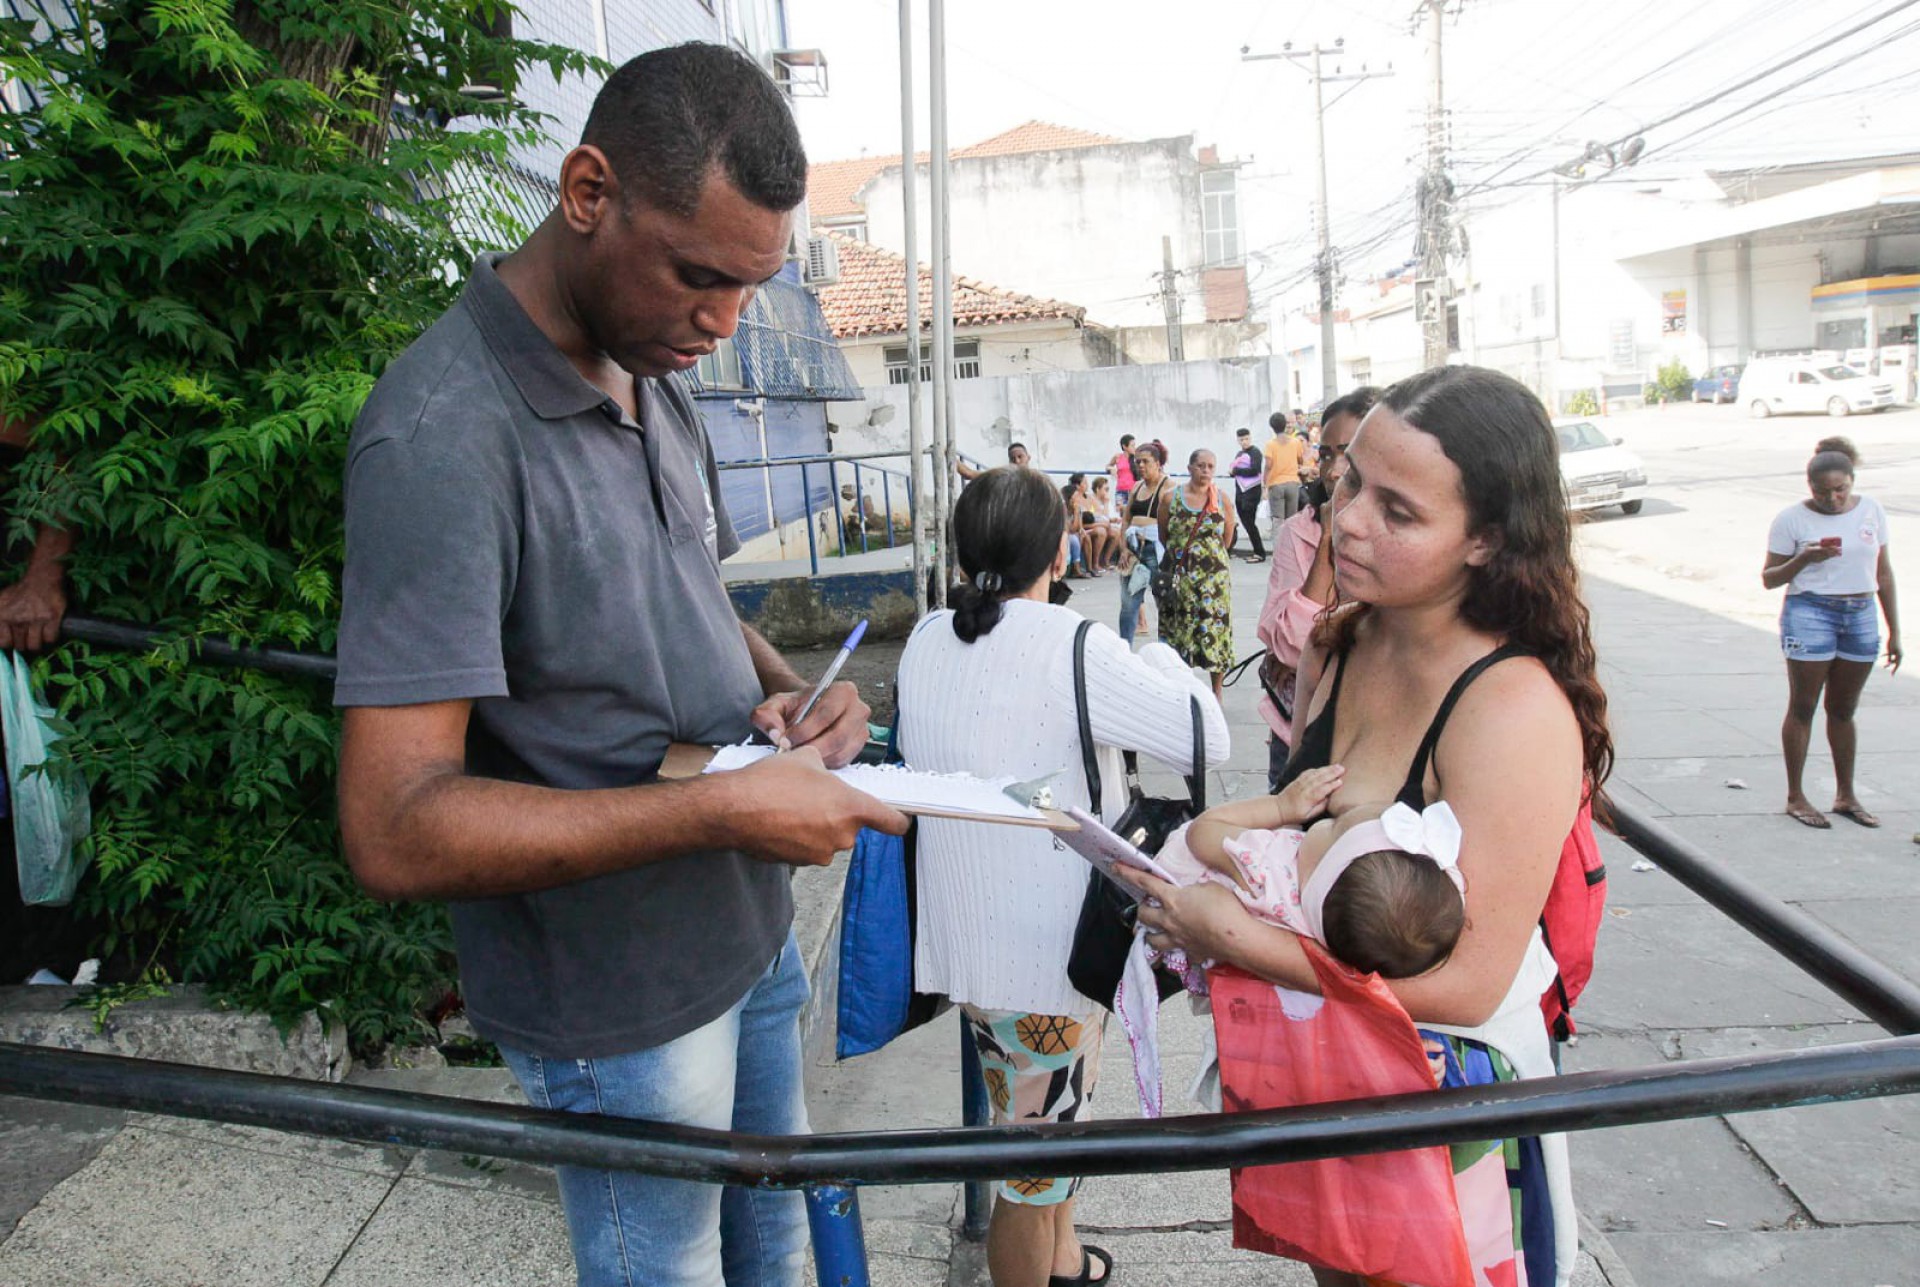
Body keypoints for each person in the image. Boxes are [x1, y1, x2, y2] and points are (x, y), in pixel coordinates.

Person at [332, 45, 910, 1287]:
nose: (723, 323)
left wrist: (790, 688)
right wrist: (711, 807)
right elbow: (391, 826)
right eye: (700, 277)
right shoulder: (442, 438)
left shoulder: (654, 367)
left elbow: (686, 579)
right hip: (618, 999)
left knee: (779, 1244)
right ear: (586, 190)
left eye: (750, 288)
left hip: (745, 931)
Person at [1136, 366, 1611, 1287]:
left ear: (1486, 543)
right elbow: (1293, 828)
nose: (1346, 519)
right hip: (1327, 1069)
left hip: (1447, 1106)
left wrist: (1235, 938)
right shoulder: (1339, 638)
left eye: (1398, 511)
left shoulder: (1511, 709)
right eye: (1349, 480)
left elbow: (1469, 986)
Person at [895, 465, 1228, 1287]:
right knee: (1029, 1173)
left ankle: (1068, 1262)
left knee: (1048, 1126)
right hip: (1053, 956)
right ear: (1058, 549)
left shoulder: (925, 638)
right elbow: (1206, 737)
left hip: (970, 947)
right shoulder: (1075, 646)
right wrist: (1159, 653)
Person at [1160, 766, 1466, 980]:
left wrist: (1281, 808)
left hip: (1174, 889)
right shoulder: (1344, 934)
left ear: (1321, 871)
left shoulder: (1270, 870)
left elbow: (1202, 833)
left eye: (1334, 826)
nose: (1326, 821)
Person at [1762, 435, 1901, 829]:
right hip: (1810, 612)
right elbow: (1770, 579)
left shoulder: (1871, 510)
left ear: (1852, 482)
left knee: (1843, 710)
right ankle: (1796, 796)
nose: (1833, 499)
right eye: (1823, 492)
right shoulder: (1792, 519)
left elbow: (1884, 573)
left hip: (1860, 613)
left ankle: (1846, 795)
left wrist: (1895, 631)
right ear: (1810, 488)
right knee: (1803, 708)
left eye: (1840, 490)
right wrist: (1804, 558)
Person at [1254, 387, 1378, 787]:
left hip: (1371, 736)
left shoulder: (1398, 537)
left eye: (1349, 454)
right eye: (1326, 455)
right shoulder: (1299, 532)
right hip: (1298, 733)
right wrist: (1327, 539)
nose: (1333, 470)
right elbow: (1290, 643)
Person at [1158, 448, 1235, 697]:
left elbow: (1228, 538)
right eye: (1201, 465)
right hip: (1181, 578)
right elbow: (1164, 535)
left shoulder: (1222, 499)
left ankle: (1216, 691)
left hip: (1214, 581)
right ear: (1190, 468)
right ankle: (1181, 687)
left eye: (1211, 466)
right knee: (1179, 629)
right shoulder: (1171, 498)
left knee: (1215, 629)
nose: (1206, 471)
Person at [1117, 441, 1173, 644]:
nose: (1140, 466)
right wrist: (1123, 548)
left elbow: (1174, 523)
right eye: (1137, 462)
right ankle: (1124, 650)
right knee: (1129, 605)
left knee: (1164, 603)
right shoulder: (1136, 487)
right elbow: (1125, 520)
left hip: (1155, 550)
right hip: (1133, 551)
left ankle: (1166, 652)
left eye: (1145, 462)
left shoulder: (1168, 487)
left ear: (1157, 463)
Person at [1262, 412, 1308, 536]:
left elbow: (1268, 466)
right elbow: (1300, 460)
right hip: (1293, 484)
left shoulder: (1270, 444)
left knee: (1278, 521)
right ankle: (1291, 550)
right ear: (1285, 425)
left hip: (1276, 484)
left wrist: (1264, 485)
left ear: (1272, 427)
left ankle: (1278, 551)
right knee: (1291, 519)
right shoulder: (1295, 442)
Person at [1227, 427, 1267, 563]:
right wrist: (1232, 472)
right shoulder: (1239, 454)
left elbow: (1254, 470)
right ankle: (1257, 551)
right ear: (1238, 440)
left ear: (1250, 438)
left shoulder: (1255, 452)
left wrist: (1236, 470)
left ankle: (1259, 552)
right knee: (1245, 522)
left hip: (1252, 493)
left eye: (1246, 439)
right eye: (1241, 439)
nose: (1244, 442)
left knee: (1250, 523)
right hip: (1240, 492)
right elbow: (1234, 471)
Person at [1062, 472, 1105, 575]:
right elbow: (1072, 528)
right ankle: (1075, 568)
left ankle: (1090, 568)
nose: (1077, 499)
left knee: (1085, 537)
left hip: (1076, 531)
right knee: (1076, 539)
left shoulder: (1079, 507)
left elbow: (1079, 526)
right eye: (1075, 497)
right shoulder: (1064, 508)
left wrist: (1081, 530)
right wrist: (1077, 514)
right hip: (1067, 533)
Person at [1109, 434, 1137, 509]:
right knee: (1119, 511)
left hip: (1132, 491)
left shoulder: (1136, 458)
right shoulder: (1118, 457)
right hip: (1120, 490)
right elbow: (1108, 466)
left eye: (1134, 445)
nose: (1134, 448)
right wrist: (1111, 469)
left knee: (1131, 512)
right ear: (1124, 446)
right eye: (1132, 445)